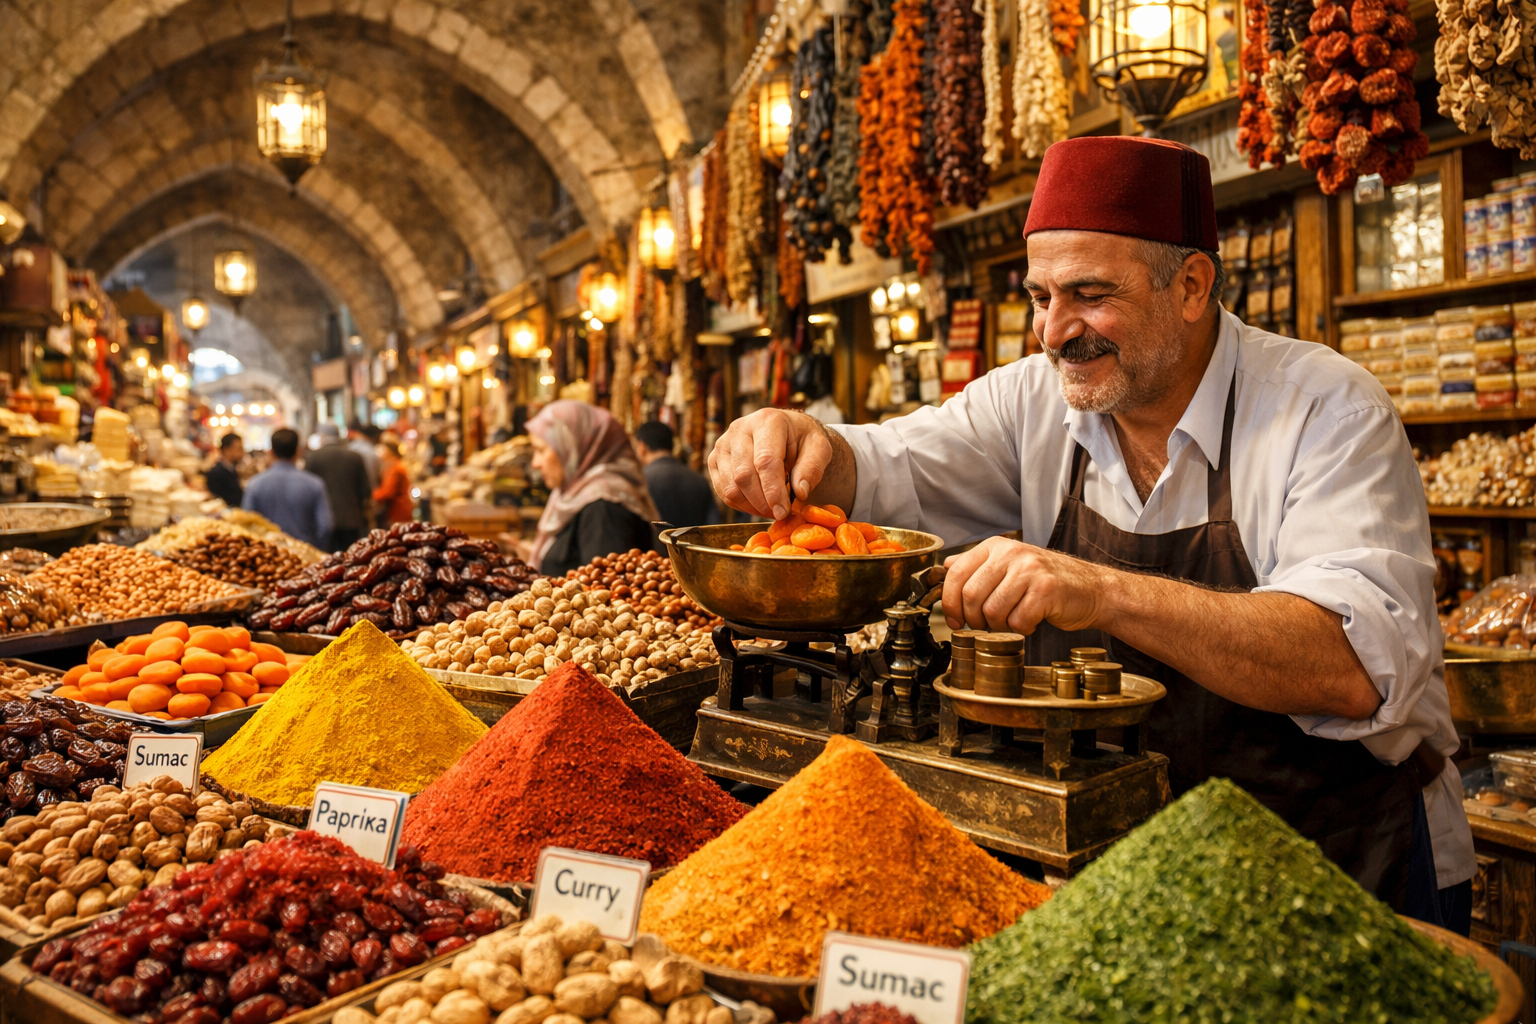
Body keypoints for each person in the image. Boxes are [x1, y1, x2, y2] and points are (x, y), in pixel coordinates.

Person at [706, 136, 1474, 935]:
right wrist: (802, 442)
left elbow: (1349, 667)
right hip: (1123, 870)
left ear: (1191, 285)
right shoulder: (1035, 401)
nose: (1053, 330)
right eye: (1041, 296)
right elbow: (888, 465)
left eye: (1089, 294)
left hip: (1338, 868)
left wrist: (1096, 588)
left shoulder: (1326, 410)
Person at [526, 400, 657, 576]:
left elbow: (604, 591)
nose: (535, 463)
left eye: (541, 450)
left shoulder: (604, 507)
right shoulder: (571, 494)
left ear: (571, 447)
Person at [242, 427, 332, 548]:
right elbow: (325, 526)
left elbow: (245, 523)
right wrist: (315, 549)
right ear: (298, 451)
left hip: (266, 556)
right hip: (305, 555)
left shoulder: (255, 484)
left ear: (271, 451)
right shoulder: (314, 483)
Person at [633, 421, 719, 528]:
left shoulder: (639, 481)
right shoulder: (699, 480)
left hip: (655, 544)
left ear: (642, 447)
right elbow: (713, 525)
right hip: (692, 544)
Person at [305, 423, 373, 552]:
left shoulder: (312, 457)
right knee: (351, 561)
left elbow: (307, 492)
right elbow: (365, 490)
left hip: (322, 522)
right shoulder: (354, 457)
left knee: (326, 563)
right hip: (351, 519)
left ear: (322, 436)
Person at [373, 441, 415, 525]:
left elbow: (388, 491)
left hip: (398, 511)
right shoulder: (395, 464)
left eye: (382, 449)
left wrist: (372, 494)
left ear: (389, 451)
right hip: (402, 509)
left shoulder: (393, 467)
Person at [205, 433, 244, 508]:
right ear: (226, 450)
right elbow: (218, 503)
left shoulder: (231, 469)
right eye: (239, 449)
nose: (242, 453)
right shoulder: (216, 473)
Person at [349, 423, 382, 492]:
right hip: (368, 492)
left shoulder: (349, 447)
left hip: (351, 492)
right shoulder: (372, 452)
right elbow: (375, 476)